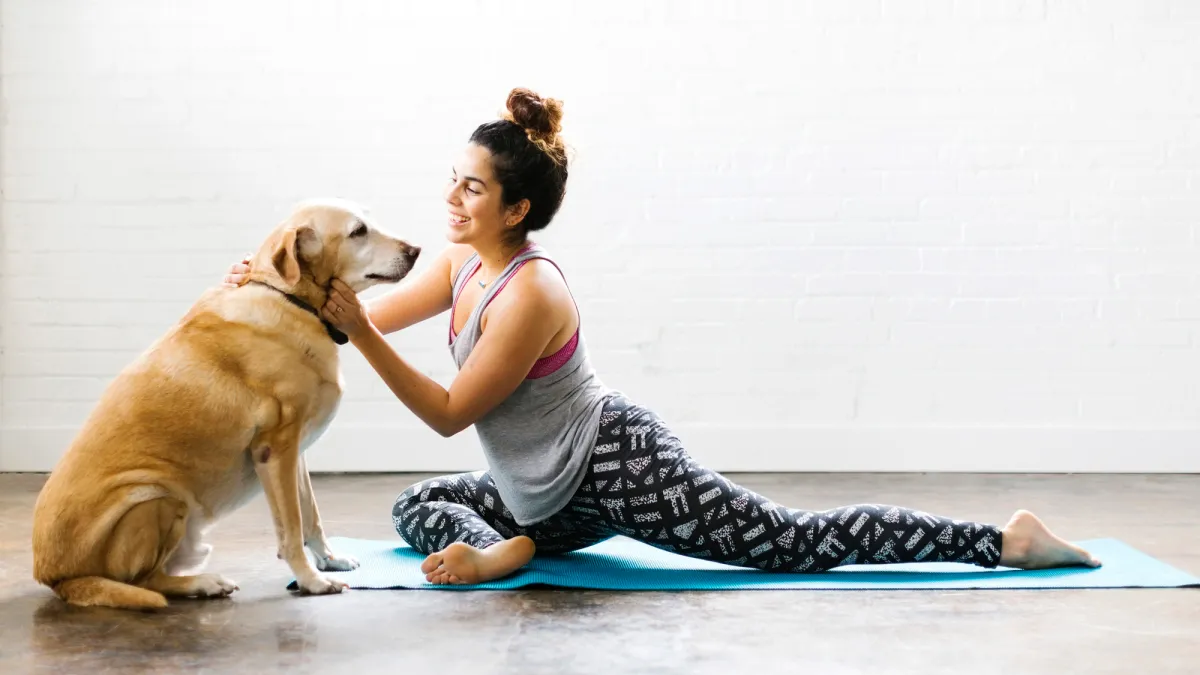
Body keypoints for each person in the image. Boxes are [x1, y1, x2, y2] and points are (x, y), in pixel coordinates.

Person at [224, 87, 1100, 585]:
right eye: (451, 182)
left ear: (518, 209)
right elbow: (358, 318)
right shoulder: (458, 267)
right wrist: (277, 281)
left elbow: (451, 410)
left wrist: (351, 330)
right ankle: (514, 544)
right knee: (415, 504)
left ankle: (1003, 539)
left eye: (472, 191)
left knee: (791, 544)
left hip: (617, 464)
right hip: (536, 496)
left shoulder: (532, 291)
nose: (452, 202)